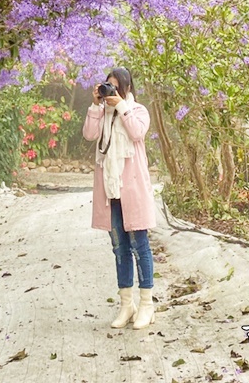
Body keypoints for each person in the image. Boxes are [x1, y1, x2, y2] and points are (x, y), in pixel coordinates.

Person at [82, 66, 156, 330]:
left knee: (140, 244)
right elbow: (89, 135)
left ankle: (146, 303)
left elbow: (137, 133)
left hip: (132, 190)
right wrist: (95, 105)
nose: (110, 92)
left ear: (126, 88)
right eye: (107, 86)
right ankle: (127, 305)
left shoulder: (138, 111)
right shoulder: (103, 114)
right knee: (119, 247)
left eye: (115, 87)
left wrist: (122, 106)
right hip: (110, 189)